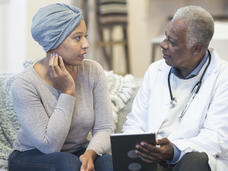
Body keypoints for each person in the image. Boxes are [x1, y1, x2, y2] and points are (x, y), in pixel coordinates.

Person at [8, 3, 114, 171]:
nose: (86, 44)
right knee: (67, 164)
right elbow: (50, 146)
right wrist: (68, 92)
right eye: (77, 37)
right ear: (53, 41)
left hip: (77, 153)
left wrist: (90, 154)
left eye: (85, 36)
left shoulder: (93, 71)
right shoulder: (24, 85)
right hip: (32, 155)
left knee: (110, 163)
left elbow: (105, 127)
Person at [123, 5, 228, 171]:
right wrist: (135, 146)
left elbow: (217, 138)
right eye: (166, 37)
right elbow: (135, 122)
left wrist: (174, 150)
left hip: (191, 160)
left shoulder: (223, 77)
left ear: (197, 49)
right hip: (150, 160)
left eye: (172, 42)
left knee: (194, 161)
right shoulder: (155, 70)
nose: (163, 45)